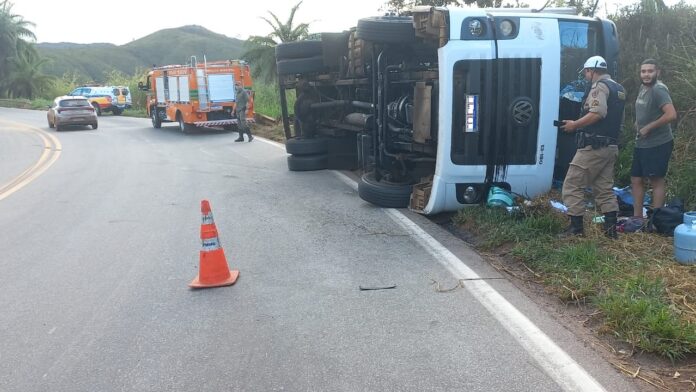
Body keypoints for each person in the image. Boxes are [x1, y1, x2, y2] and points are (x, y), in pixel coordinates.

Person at [560, 55, 626, 239]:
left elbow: (598, 112)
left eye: (586, 72)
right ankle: (611, 232)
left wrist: (575, 125)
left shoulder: (600, 87)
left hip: (594, 146)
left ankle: (576, 229)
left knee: (572, 184)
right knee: (604, 188)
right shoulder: (618, 88)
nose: (586, 76)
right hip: (610, 146)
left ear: (591, 71)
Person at [630, 59, 677, 221]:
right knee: (636, 179)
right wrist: (638, 123)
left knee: (656, 180)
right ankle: (637, 218)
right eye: (643, 71)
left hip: (658, 143)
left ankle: (656, 220)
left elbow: (671, 114)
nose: (646, 74)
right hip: (641, 142)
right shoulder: (643, 88)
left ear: (658, 72)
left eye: (650, 71)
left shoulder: (659, 90)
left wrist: (649, 127)